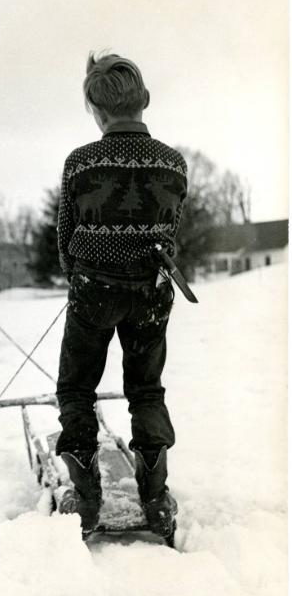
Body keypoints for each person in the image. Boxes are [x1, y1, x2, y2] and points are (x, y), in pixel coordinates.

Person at [55, 52, 188, 539]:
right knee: (147, 389)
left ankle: (86, 499)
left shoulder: (81, 162)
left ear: (95, 106)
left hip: (93, 289)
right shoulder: (173, 163)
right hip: (152, 290)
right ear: (143, 100)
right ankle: (155, 498)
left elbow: (67, 234)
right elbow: (171, 230)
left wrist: (80, 272)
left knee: (75, 388)